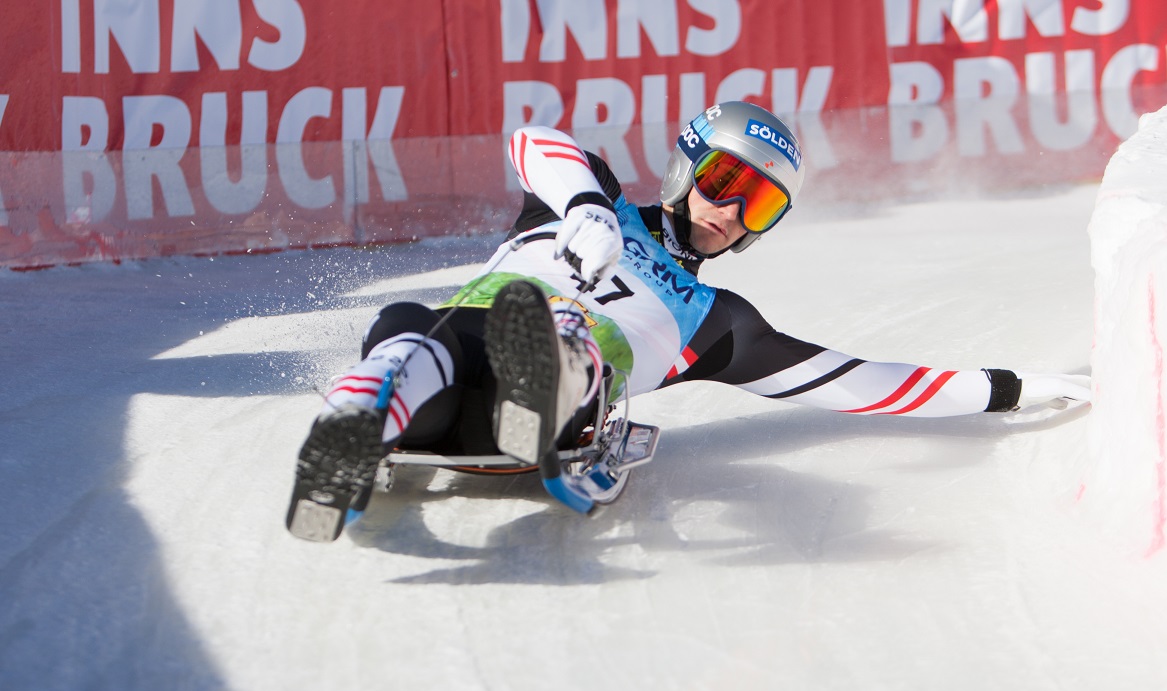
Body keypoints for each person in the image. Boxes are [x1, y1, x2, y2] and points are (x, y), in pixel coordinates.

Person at [286, 101, 1091, 540]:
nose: (732, 211)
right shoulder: (577, 200)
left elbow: (863, 383)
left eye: (761, 204)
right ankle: (356, 422)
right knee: (413, 323)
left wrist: (1009, 389)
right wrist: (587, 210)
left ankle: (542, 384)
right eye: (724, 180)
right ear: (684, 165)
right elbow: (534, 138)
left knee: (559, 338)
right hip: (463, 351)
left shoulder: (719, 321)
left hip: (571, 392)